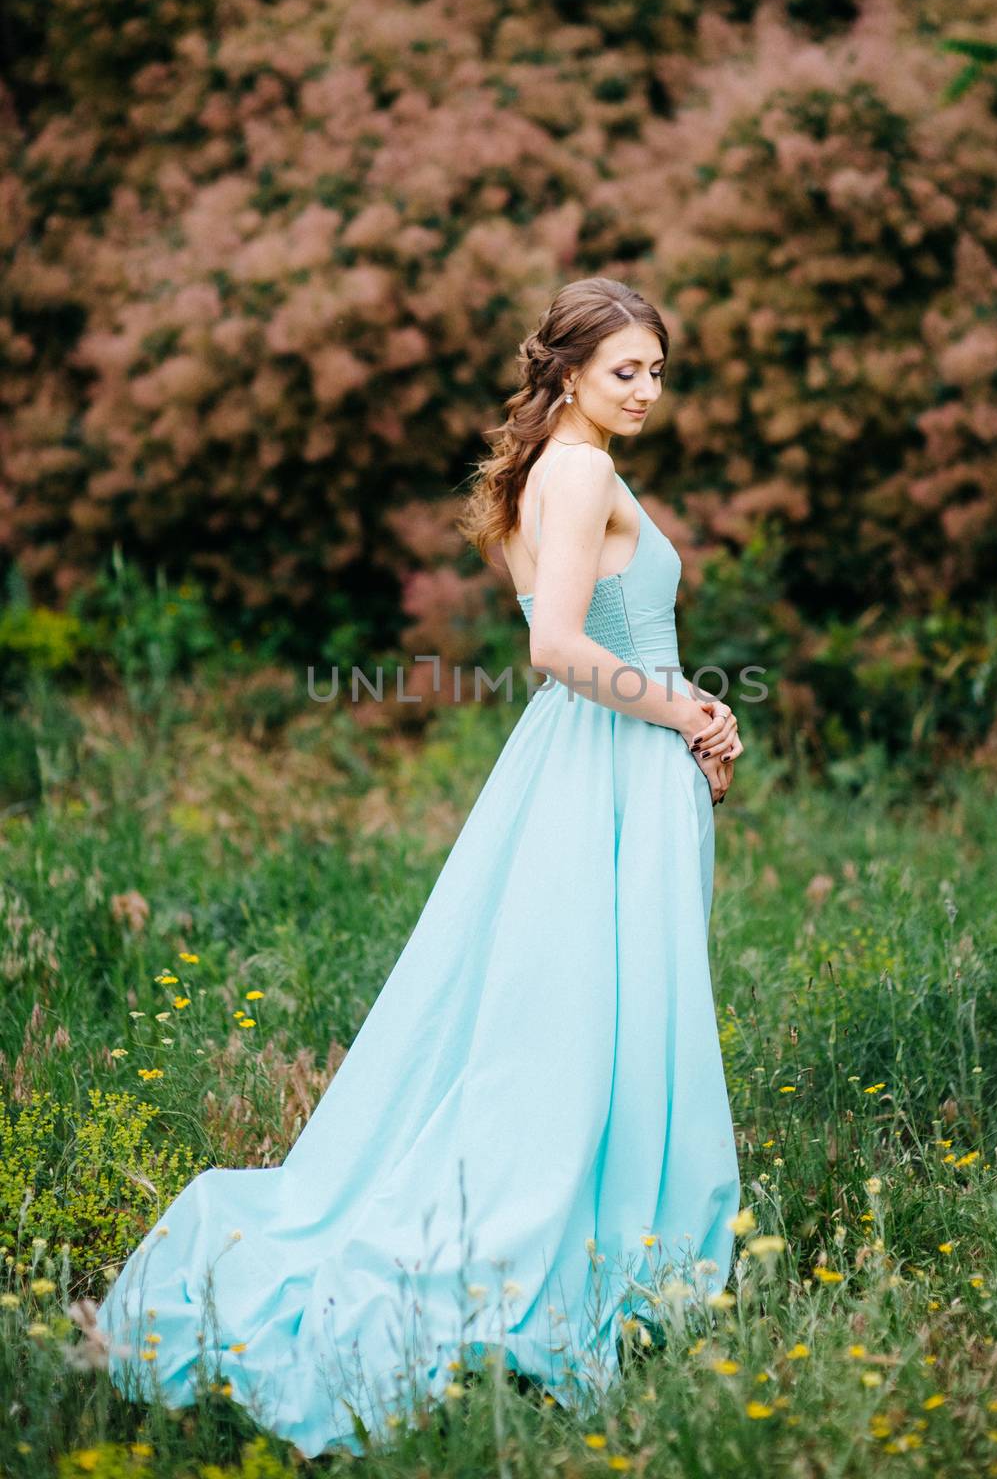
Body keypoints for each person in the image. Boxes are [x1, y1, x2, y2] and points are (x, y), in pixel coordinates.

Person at [95, 276, 743, 1462]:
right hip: (609, 756)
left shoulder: (533, 471)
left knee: (577, 1014)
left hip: (591, 759)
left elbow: (569, 635)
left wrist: (685, 707)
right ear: (567, 372)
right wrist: (686, 709)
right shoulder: (583, 470)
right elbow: (556, 648)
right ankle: (577, 1246)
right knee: (595, 1016)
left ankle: (594, 1225)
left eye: (657, 369)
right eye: (625, 372)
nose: (648, 392)